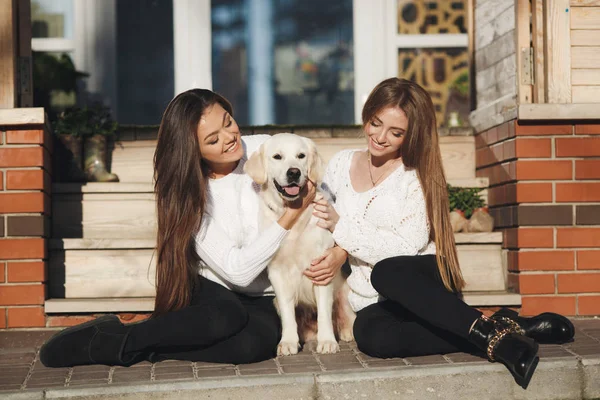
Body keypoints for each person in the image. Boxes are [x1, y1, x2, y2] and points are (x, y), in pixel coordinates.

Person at [308, 78, 575, 389]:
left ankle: (496, 343)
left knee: (387, 271)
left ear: (411, 135)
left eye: (395, 133)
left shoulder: (414, 175)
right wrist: (340, 249)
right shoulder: (341, 164)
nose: (379, 137)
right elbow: (319, 218)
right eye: (375, 123)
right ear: (367, 115)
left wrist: (341, 229)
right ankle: (501, 325)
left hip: (422, 276)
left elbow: (405, 245)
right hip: (372, 297)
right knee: (371, 335)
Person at [40, 89, 318, 367]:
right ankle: (111, 340)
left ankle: (145, 350)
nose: (230, 137)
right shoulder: (192, 196)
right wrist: (290, 217)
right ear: (193, 150)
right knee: (225, 317)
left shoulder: (267, 150)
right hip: (217, 285)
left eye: (228, 121)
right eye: (213, 139)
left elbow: (316, 178)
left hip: (265, 292)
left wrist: (333, 241)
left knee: (251, 347)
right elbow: (238, 271)